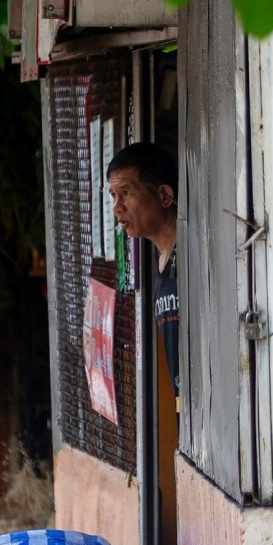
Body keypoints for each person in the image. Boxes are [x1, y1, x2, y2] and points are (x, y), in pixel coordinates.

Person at [107, 142, 179, 397]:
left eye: (126, 192)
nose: (117, 207)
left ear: (164, 196)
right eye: (113, 195)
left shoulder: (191, 255)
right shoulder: (159, 264)